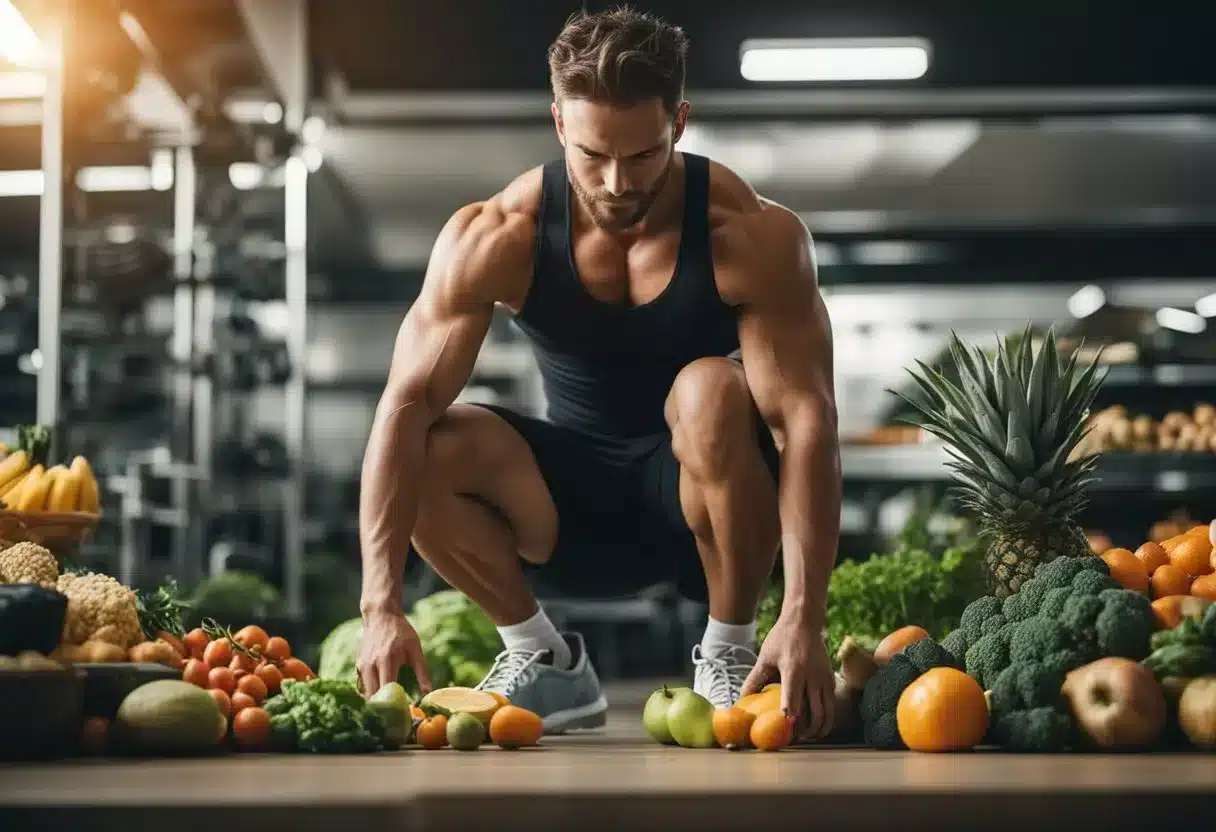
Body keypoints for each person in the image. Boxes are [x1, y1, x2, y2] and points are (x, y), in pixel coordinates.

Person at [356, 6, 842, 740]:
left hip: (706, 517)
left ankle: (730, 653)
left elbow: (806, 420)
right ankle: (541, 656)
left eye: (642, 156)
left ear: (679, 122)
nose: (617, 183)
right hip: (565, 513)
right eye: (592, 156)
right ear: (558, 123)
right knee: (434, 436)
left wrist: (804, 614)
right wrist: (379, 606)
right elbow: (404, 406)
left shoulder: (750, 233)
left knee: (710, 389)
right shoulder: (498, 234)